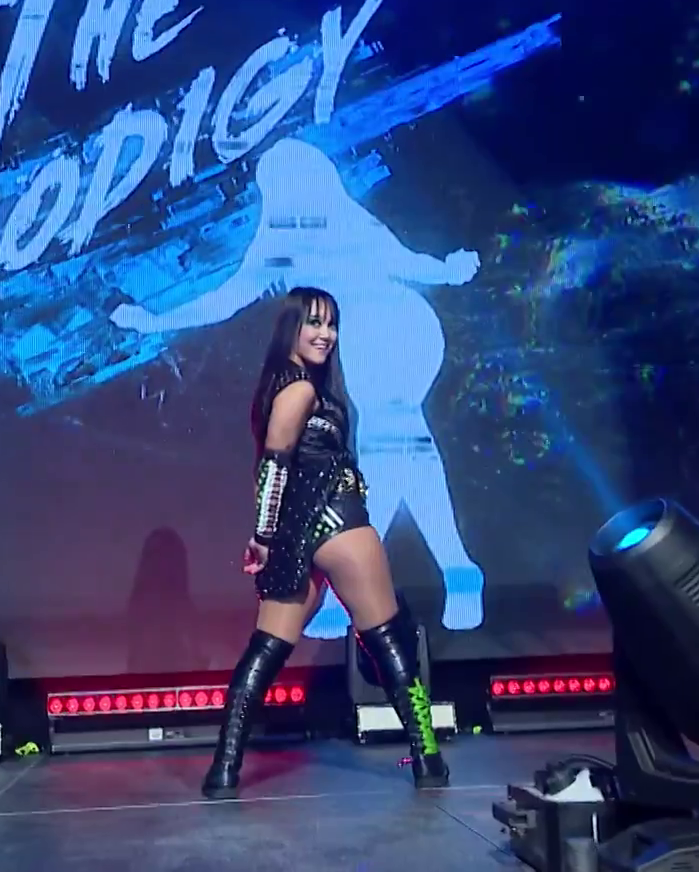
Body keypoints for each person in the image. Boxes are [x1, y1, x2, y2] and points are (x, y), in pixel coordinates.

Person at [110, 137, 486, 640]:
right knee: (397, 451)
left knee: (389, 448)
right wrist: (153, 321)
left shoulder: (348, 223)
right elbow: (225, 299)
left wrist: (450, 271)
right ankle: (449, 571)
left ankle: (376, 586)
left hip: (400, 330)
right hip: (367, 346)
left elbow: (408, 263)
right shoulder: (278, 243)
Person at [193, 286, 447, 798]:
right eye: (314, 322)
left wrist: (271, 534)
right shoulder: (300, 390)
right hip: (336, 523)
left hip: (297, 533)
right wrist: (262, 536)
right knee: (388, 640)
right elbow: (274, 464)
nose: (325, 334)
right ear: (291, 328)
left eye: (331, 324)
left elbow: (274, 464)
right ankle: (428, 757)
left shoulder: (287, 386)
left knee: (266, 651)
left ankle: (223, 769)